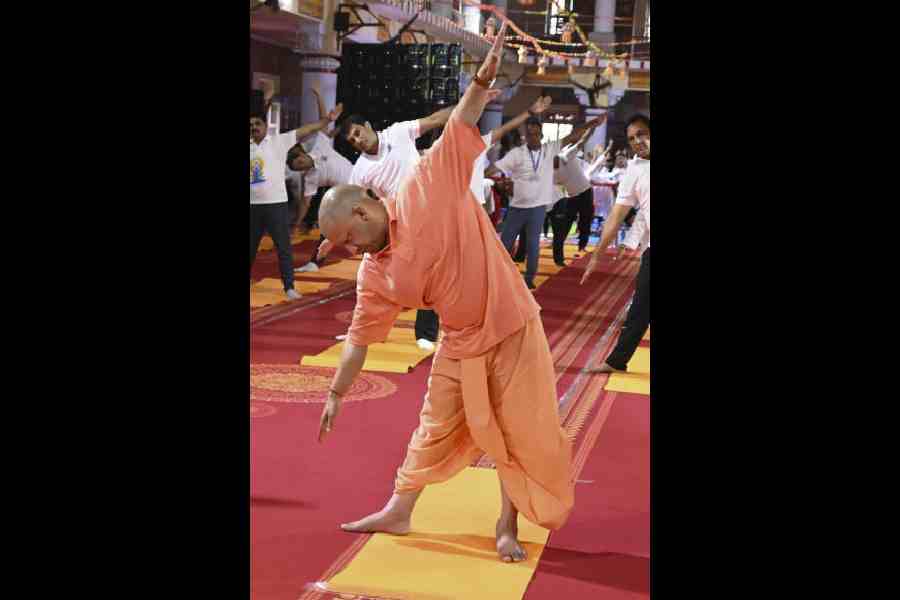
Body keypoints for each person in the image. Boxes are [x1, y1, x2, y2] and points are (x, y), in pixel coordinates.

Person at [316, 21, 574, 563]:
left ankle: (507, 526)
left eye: (346, 239)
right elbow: (359, 338)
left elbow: (461, 119)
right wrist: (338, 391)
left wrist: (481, 82)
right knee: (433, 424)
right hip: (460, 340)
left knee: (516, 428)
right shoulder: (375, 272)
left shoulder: (424, 190)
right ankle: (400, 509)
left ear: (364, 210)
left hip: (511, 323)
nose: (348, 251)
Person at [487, 112, 607, 289]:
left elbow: (573, 138)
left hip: (546, 203)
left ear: (542, 136)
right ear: (525, 137)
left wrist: (591, 125)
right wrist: (474, 176)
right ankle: (496, 275)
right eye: (530, 134)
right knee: (507, 241)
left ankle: (530, 279)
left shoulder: (555, 152)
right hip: (522, 204)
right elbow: (495, 168)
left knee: (536, 242)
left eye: (536, 134)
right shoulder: (519, 154)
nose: (533, 137)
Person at [250, 82, 340, 299]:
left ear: (265, 125)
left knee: (283, 248)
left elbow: (309, 129)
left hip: (276, 205)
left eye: (257, 123)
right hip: (252, 207)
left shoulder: (279, 142)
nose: (254, 127)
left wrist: (327, 120)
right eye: (250, 124)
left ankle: (289, 287)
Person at [581, 114, 650, 373]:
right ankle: (617, 360)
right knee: (641, 307)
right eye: (632, 138)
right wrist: (598, 254)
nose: (637, 141)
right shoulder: (634, 170)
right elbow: (616, 214)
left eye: (642, 134)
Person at [551, 123, 603, 264]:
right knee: (564, 227)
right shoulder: (548, 171)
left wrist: (592, 128)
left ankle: (582, 247)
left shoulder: (566, 155)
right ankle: (559, 257)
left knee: (585, 221)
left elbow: (582, 141)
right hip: (571, 197)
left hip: (586, 192)